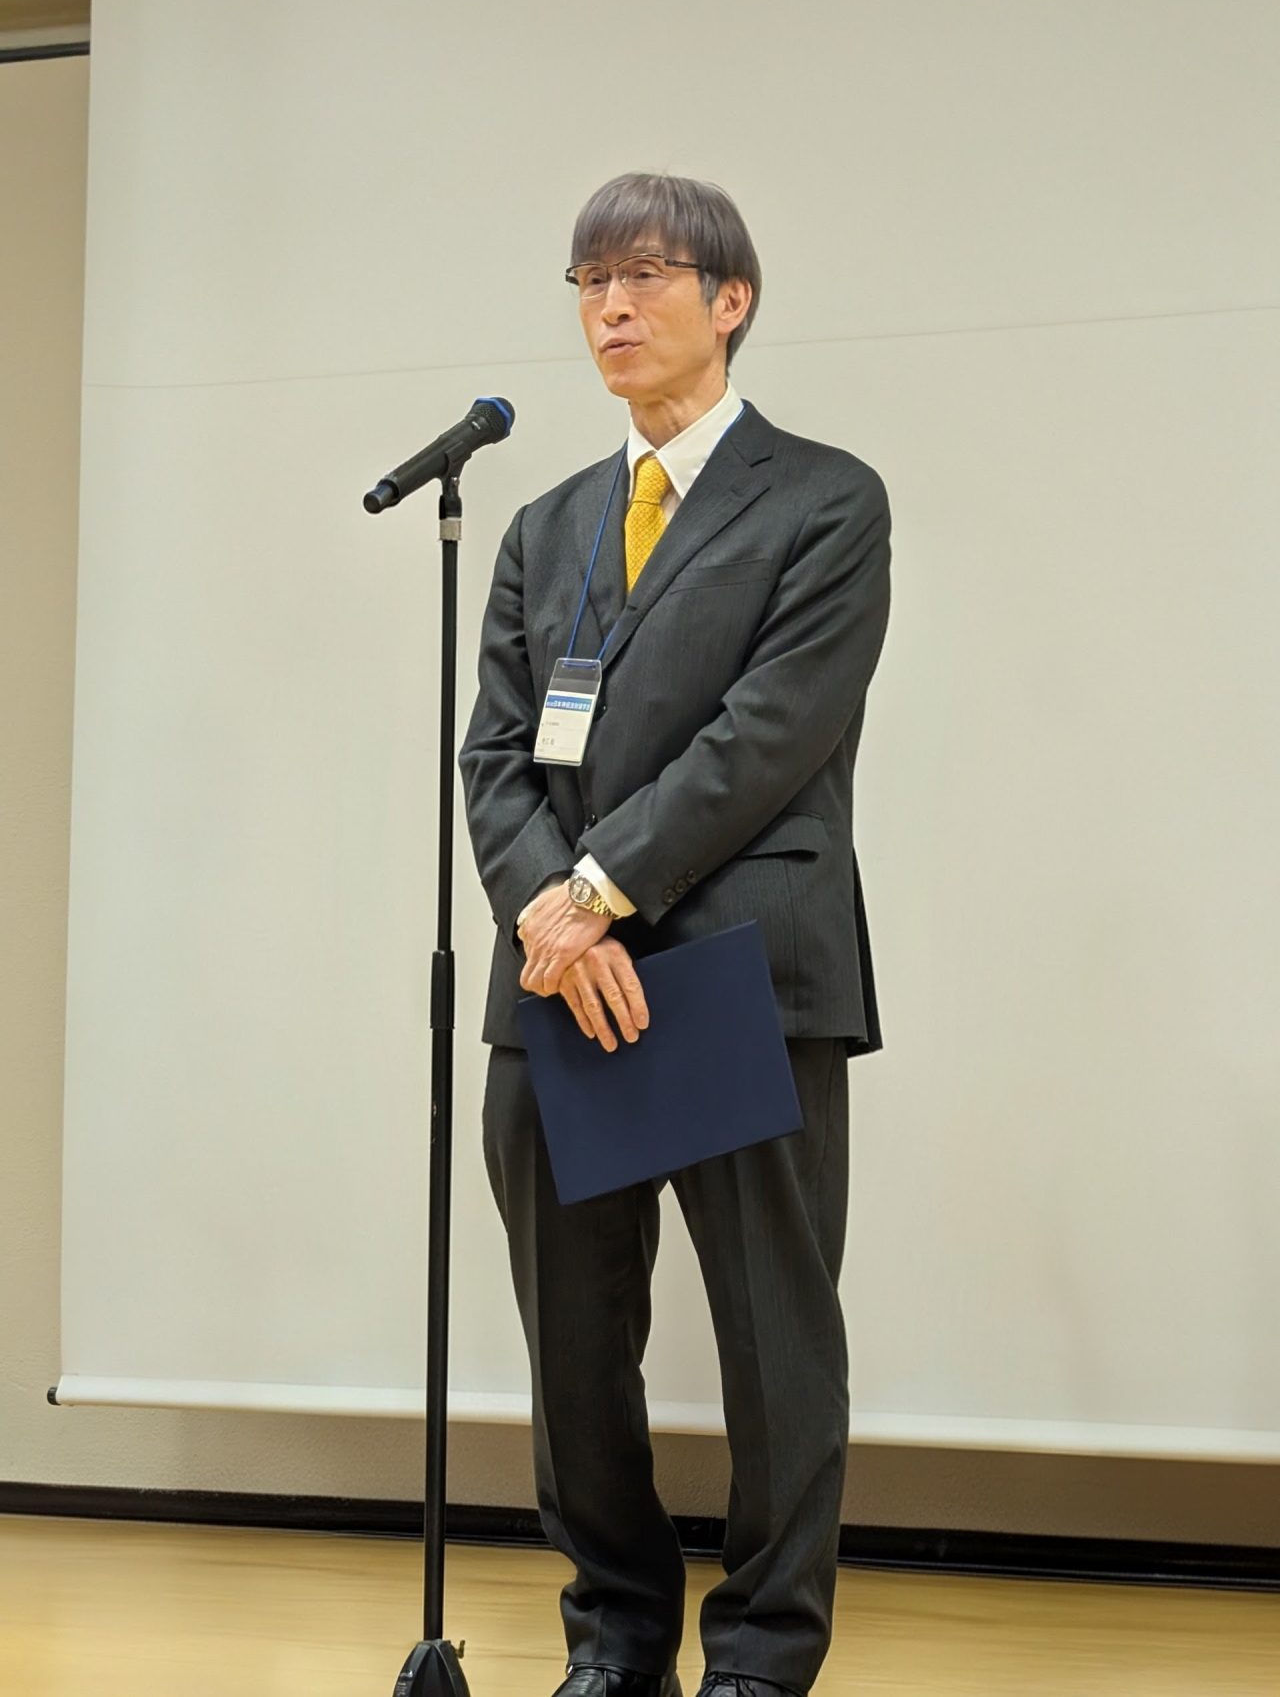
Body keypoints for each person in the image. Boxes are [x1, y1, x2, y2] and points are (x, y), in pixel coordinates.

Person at [459, 172, 892, 1697]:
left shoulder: (825, 500)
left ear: (732, 300)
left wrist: (597, 893)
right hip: (560, 978)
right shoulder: (547, 524)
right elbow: (496, 755)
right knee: (574, 1345)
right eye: (589, 282)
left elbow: (766, 735)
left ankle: (762, 1657)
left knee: (776, 1339)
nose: (612, 308)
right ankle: (616, 1635)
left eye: (644, 274)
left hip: (738, 965)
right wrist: (552, 915)